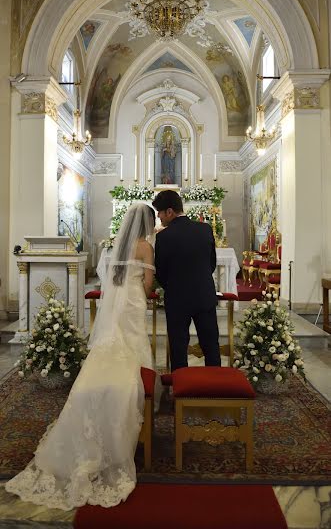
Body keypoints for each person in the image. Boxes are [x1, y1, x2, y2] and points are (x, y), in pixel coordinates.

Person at [6, 204, 157, 510]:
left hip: (118, 305)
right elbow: (147, 283)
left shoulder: (120, 243)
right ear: (148, 224)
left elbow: (113, 277)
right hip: (135, 302)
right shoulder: (145, 247)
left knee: (111, 346)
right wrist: (143, 285)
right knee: (134, 348)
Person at [152, 190, 220, 371]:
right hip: (204, 295)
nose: (158, 217)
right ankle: (216, 387)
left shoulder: (163, 237)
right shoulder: (204, 229)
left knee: (178, 347)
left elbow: (160, 271)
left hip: (177, 298)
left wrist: (174, 286)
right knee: (211, 344)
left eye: (159, 213)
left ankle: (180, 391)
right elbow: (211, 263)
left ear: (169, 211)